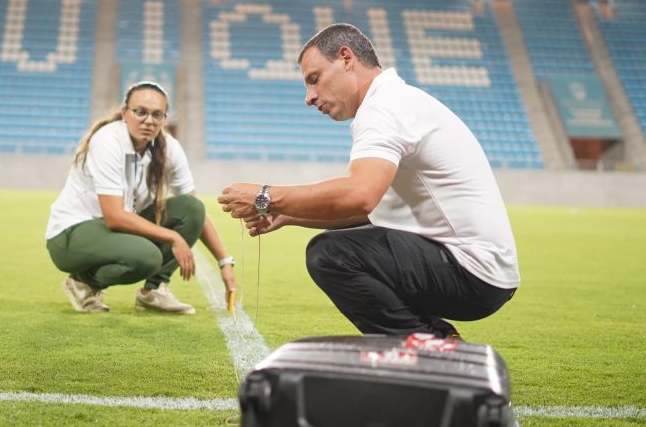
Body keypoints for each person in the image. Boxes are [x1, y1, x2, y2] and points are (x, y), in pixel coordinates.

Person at [218, 23, 519, 338]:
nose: (309, 97)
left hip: (471, 271)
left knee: (331, 254)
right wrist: (289, 214)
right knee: (347, 244)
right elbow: (369, 212)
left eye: (314, 79)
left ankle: (431, 347)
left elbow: (360, 195)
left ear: (346, 58)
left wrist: (265, 196)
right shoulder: (396, 100)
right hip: (483, 272)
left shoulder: (384, 108)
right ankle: (437, 342)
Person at [46, 81, 236, 314]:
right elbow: (115, 217)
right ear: (125, 113)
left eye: (157, 115)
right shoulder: (108, 141)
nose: (149, 120)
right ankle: (83, 283)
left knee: (192, 208)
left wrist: (224, 261)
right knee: (146, 258)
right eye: (140, 112)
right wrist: (173, 237)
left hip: (113, 229)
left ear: (164, 119)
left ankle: (153, 292)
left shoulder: (169, 147)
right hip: (72, 234)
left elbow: (197, 212)